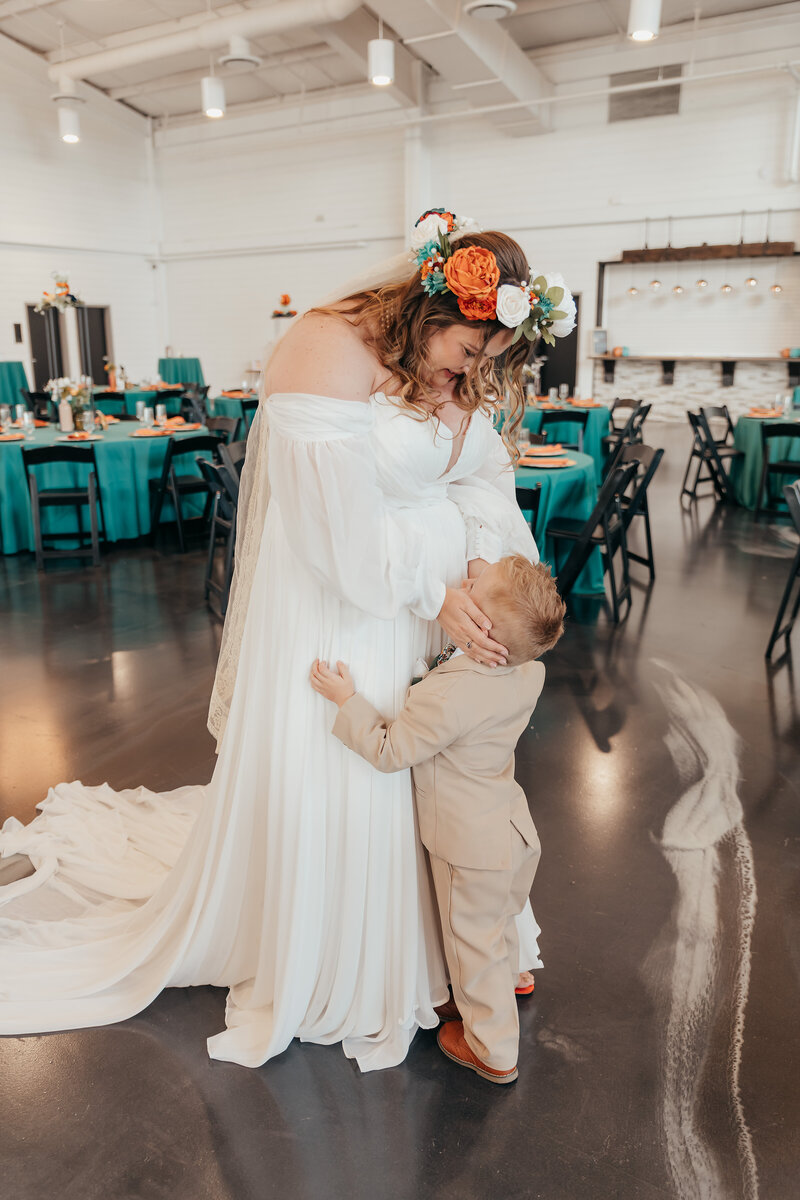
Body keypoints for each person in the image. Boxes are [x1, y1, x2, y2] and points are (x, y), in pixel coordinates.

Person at [0, 209, 575, 1072]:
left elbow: (486, 474)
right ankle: (355, 956)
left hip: (426, 605)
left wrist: (479, 573)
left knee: (440, 782)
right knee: (357, 776)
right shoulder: (327, 346)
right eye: (468, 351)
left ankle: (458, 948)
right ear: (430, 308)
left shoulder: (453, 369)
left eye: (487, 362)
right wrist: (436, 582)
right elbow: (331, 529)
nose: (470, 373)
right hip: (350, 608)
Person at [309, 556, 566, 1084]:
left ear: (486, 633)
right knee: (498, 924)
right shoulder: (530, 670)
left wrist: (346, 700)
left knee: (471, 943)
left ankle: (493, 1050)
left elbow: (390, 749)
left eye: (477, 585)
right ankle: (514, 980)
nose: (465, 583)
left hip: (470, 846)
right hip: (513, 830)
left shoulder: (450, 693)